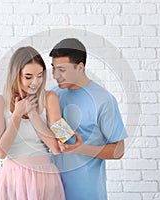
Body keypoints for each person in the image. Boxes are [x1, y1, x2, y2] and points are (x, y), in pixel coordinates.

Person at [49, 38, 128, 200]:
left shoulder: (103, 100)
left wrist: (82, 149)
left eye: (62, 69)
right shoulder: (52, 95)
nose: (55, 75)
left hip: (87, 192)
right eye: (53, 69)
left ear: (80, 67)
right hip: (52, 189)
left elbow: (119, 150)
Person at [0, 46, 66, 200]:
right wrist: (17, 115)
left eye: (39, 76)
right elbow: (0, 152)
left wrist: (33, 114)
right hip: (12, 180)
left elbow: (57, 147)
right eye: (28, 76)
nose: (35, 82)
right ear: (16, 76)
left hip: (45, 179)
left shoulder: (50, 98)